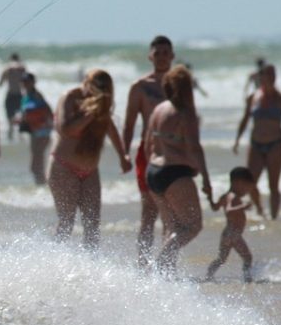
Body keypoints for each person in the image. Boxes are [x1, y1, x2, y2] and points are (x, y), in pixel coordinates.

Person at [47, 70, 132, 249]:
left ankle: (90, 271)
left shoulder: (103, 104)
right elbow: (65, 129)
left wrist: (122, 155)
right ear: (86, 82)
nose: (99, 91)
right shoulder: (70, 97)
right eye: (97, 86)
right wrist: (91, 113)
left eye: (104, 89)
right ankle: (51, 264)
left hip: (90, 171)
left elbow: (110, 127)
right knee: (66, 222)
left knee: (92, 226)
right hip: (64, 167)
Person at [145, 65, 212, 275]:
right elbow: (195, 147)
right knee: (193, 226)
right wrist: (206, 180)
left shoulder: (159, 109)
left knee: (173, 228)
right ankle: (158, 266)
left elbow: (149, 145)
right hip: (175, 173)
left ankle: (165, 277)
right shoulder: (185, 113)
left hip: (153, 172)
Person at [122, 35, 176, 267]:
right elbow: (129, 123)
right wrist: (124, 153)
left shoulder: (180, 85)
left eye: (166, 52)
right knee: (149, 212)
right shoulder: (140, 87)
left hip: (175, 155)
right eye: (158, 52)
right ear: (150, 56)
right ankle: (143, 265)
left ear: (172, 56)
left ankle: (167, 265)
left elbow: (189, 120)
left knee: (172, 214)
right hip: (149, 155)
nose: (162, 57)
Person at [233, 64, 281, 220]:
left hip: (275, 144)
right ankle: (260, 209)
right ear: (260, 77)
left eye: (272, 74)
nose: (270, 78)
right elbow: (244, 119)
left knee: (273, 185)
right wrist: (237, 140)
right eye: (266, 75)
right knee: (250, 182)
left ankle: (274, 218)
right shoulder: (253, 98)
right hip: (256, 144)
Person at [204, 166, 264, 283]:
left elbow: (215, 207)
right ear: (238, 183)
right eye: (247, 188)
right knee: (247, 257)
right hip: (234, 234)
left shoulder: (225, 196)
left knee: (221, 259)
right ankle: (248, 279)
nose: (247, 191)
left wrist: (210, 196)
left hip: (227, 233)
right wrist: (243, 206)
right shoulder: (233, 197)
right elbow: (229, 210)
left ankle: (208, 277)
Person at [18, 73, 54, 185]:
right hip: (33, 132)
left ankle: (42, 187)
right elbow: (25, 114)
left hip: (43, 132)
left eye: (27, 81)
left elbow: (48, 111)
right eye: (23, 81)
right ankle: (41, 187)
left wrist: (49, 124)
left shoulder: (37, 95)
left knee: (36, 165)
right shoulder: (25, 97)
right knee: (36, 164)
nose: (25, 83)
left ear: (33, 82)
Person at [0, 53, 26, 141]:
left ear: (10, 59)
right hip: (19, 95)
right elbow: (27, 83)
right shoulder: (22, 68)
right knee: (21, 119)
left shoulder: (7, 68)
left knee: (10, 121)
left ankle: (10, 139)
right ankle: (21, 140)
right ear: (18, 59)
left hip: (10, 95)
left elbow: (0, 84)